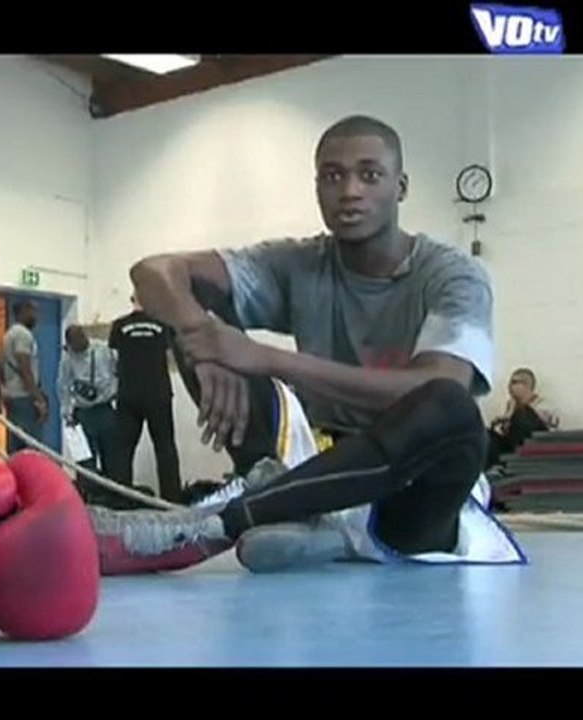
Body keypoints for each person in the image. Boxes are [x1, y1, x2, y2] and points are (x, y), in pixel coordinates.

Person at [89, 114, 527, 573]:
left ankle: (226, 524)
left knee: (453, 409)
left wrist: (264, 357)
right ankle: (294, 504)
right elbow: (154, 270)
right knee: (196, 313)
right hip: (310, 459)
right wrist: (202, 338)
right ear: (317, 187)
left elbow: (438, 387)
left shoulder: (454, 274)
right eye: (333, 176)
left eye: (370, 175)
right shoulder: (299, 261)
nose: (350, 190)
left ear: (400, 188)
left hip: (409, 488)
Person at [108, 295, 183, 502]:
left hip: (128, 393)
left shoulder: (119, 325)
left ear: (132, 300)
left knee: (123, 450)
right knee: (165, 447)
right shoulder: (163, 324)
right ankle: (172, 500)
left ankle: (120, 500)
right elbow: (172, 355)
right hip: (158, 393)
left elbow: (113, 357)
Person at [59, 325, 120, 482]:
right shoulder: (68, 358)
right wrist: (66, 414)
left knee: (113, 458)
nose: (77, 347)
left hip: (105, 409)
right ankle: (89, 495)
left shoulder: (103, 350)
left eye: (79, 341)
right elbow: (63, 386)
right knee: (84, 462)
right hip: (82, 413)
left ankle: (113, 496)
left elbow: (118, 371)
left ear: (84, 337)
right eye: (73, 344)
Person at [487, 367, 560, 469]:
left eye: (514, 382)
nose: (509, 386)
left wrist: (516, 412)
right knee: (486, 435)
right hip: (513, 447)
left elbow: (549, 425)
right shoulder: (511, 404)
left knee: (522, 415)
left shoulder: (543, 404)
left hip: (535, 446)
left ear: (526, 385)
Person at [0, 300, 48, 453]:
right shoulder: (23, 335)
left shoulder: (8, 334)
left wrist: (4, 391)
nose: (36, 316)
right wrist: (38, 399)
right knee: (33, 448)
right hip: (24, 397)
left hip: (12, 396)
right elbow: (25, 368)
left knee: (16, 446)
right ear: (23, 312)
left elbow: (1, 367)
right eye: (33, 312)